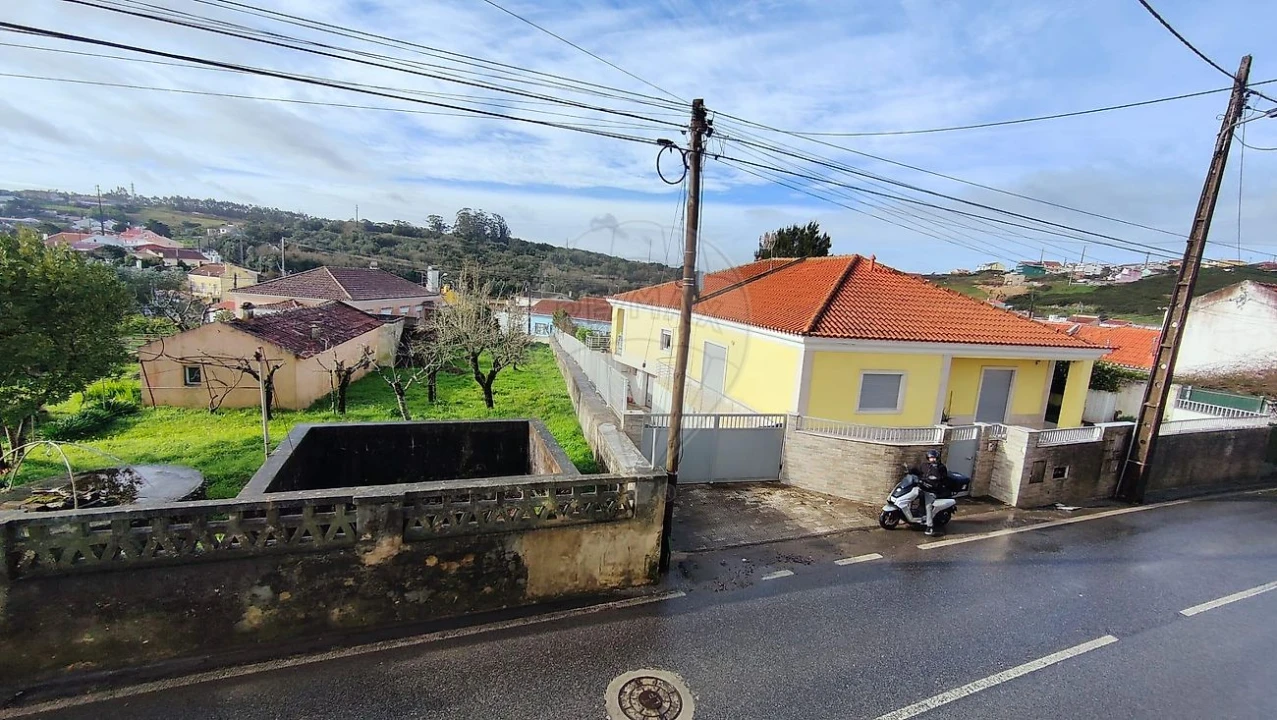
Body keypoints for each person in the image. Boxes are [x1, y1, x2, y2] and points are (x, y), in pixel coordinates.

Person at [920, 449, 948, 536]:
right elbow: (918, 473)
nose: (932, 459)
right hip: (922, 487)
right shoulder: (924, 465)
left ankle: (929, 526)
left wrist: (935, 479)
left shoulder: (941, 467)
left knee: (928, 506)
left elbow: (942, 479)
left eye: (934, 458)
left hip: (932, 490)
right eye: (931, 458)